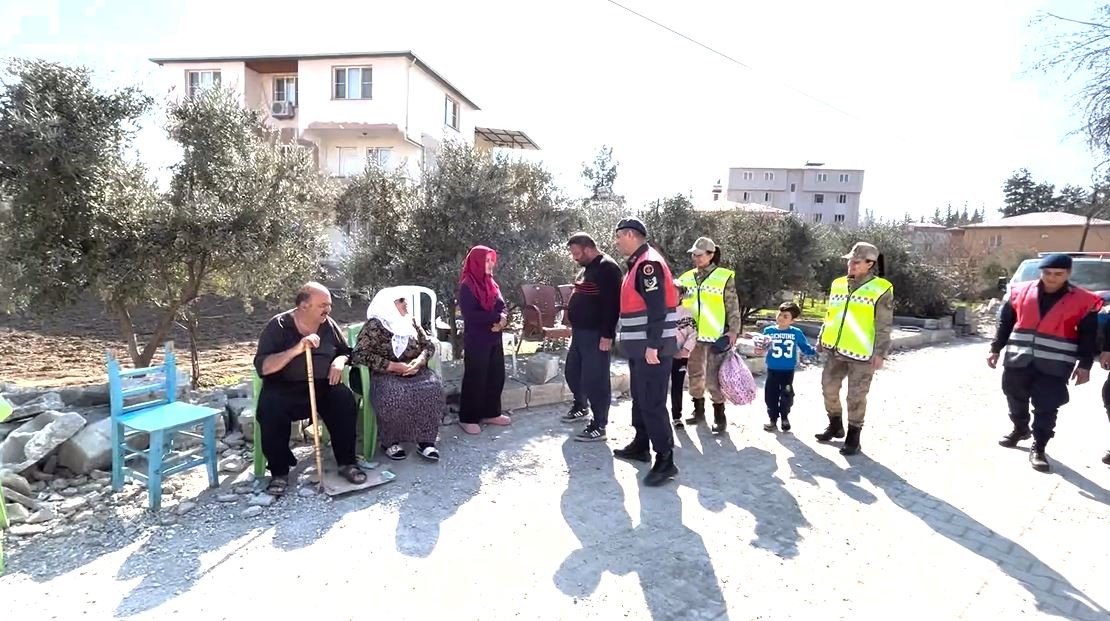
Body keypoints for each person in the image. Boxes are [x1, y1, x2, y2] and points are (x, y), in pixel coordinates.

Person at [989, 253, 1101, 472]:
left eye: (1058, 274)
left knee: (1047, 405)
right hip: (1018, 357)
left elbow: (1089, 335)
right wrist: (995, 349)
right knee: (1014, 395)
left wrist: (1085, 365)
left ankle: (1039, 446)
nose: (1051, 278)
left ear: (1068, 274)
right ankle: (1020, 428)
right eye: (1047, 273)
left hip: (1056, 362)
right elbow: (1006, 323)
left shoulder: (1084, 300)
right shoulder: (1020, 291)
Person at [253, 282, 365, 496]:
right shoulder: (278, 326)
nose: (328, 309)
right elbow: (263, 366)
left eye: (329, 305)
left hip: (323, 385)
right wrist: (297, 348)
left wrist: (339, 361)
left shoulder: (328, 324)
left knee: (343, 399)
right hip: (284, 387)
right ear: (304, 306)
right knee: (270, 409)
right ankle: (279, 471)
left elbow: (345, 351)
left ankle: (347, 462)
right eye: (323, 305)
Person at [611, 217, 680, 486]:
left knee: (652, 401)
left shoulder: (648, 264)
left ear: (630, 235)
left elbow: (657, 307)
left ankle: (665, 460)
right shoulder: (638, 263)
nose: (616, 242)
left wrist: (653, 344)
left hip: (652, 348)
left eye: (619, 236)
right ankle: (641, 444)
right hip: (639, 348)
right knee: (640, 398)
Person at [815, 242, 894, 456]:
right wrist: (822, 337)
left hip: (862, 353)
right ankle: (835, 425)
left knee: (856, 396)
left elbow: (884, 324)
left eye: (856, 262)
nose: (851, 264)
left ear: (870, 264)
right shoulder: (838, 284)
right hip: (836, 349)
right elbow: (831, 314)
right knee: (828, 387)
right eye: (849, 260)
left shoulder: (881, 288)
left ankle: (853, 437)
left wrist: (880, 353)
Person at [350, 287, 444, 462]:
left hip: (415, 371)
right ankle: (390, 442)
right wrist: (392, 366)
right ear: (388, 305)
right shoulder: (375, 326)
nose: (406, 303)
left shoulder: (411, 321)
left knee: (433, 389)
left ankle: (425, 441)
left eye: (405, 300)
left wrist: (419, 362)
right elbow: (359, 354)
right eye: (401, 300)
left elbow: (428, 345)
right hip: (386, 374)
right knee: (392, 394)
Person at [676, 237, 743, 434]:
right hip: (692, 336)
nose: (695, 258)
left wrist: (733, 330)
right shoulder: (686, 278)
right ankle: (698, 410)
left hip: (716, 336)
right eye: (693, 255)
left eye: (699, 255)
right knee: (695, 374)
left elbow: (732, 305)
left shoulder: (723, 277)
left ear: (711, 255)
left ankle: (719, 415)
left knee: (714, 377)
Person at [562, 233, 624, 442]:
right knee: (573, 372)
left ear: (588, 249)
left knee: (595, 379)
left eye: (576, 253)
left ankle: (599, 425)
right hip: (580, 332)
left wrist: (607, 334)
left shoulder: (608, 268)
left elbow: (612, 304)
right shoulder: (588, 268)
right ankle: (581, 406)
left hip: (596, 334)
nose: (574, 257)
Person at [457, 245, 511, 435]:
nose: (490, 264)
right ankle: (468, 418)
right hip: (477, 339)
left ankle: (491, 413)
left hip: (494, 337)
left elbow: (502, 305)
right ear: (477, 262)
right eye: (486, 261)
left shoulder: (491, 283)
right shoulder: (467, 285)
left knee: (496, 375)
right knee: (476, 377)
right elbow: (471, 314)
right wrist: (496, 318)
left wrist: (503, 318)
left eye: (491, 260)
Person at [756, 302, 816, 433]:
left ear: (792, 320)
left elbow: (805, 347)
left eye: (785, 316)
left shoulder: (796, 333)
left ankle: (785, 417)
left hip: (788, 371)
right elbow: (762, 347)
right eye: (780, 314)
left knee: (786, 395)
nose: (781, 318)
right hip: (772, 370)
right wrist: (759, 350)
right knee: (770, 396)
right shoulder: (769, 331)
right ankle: (772, 419)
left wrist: (816, 350)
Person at [671, 282, 698, 428]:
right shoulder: (660, 311)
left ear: (681, 296)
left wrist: (685, 350)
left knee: (677, 386)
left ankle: (676, 416)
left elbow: (693, 334)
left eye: (674, 292)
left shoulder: (687, 314)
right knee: (658, 387)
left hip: (680, 357)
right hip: (662, 356)